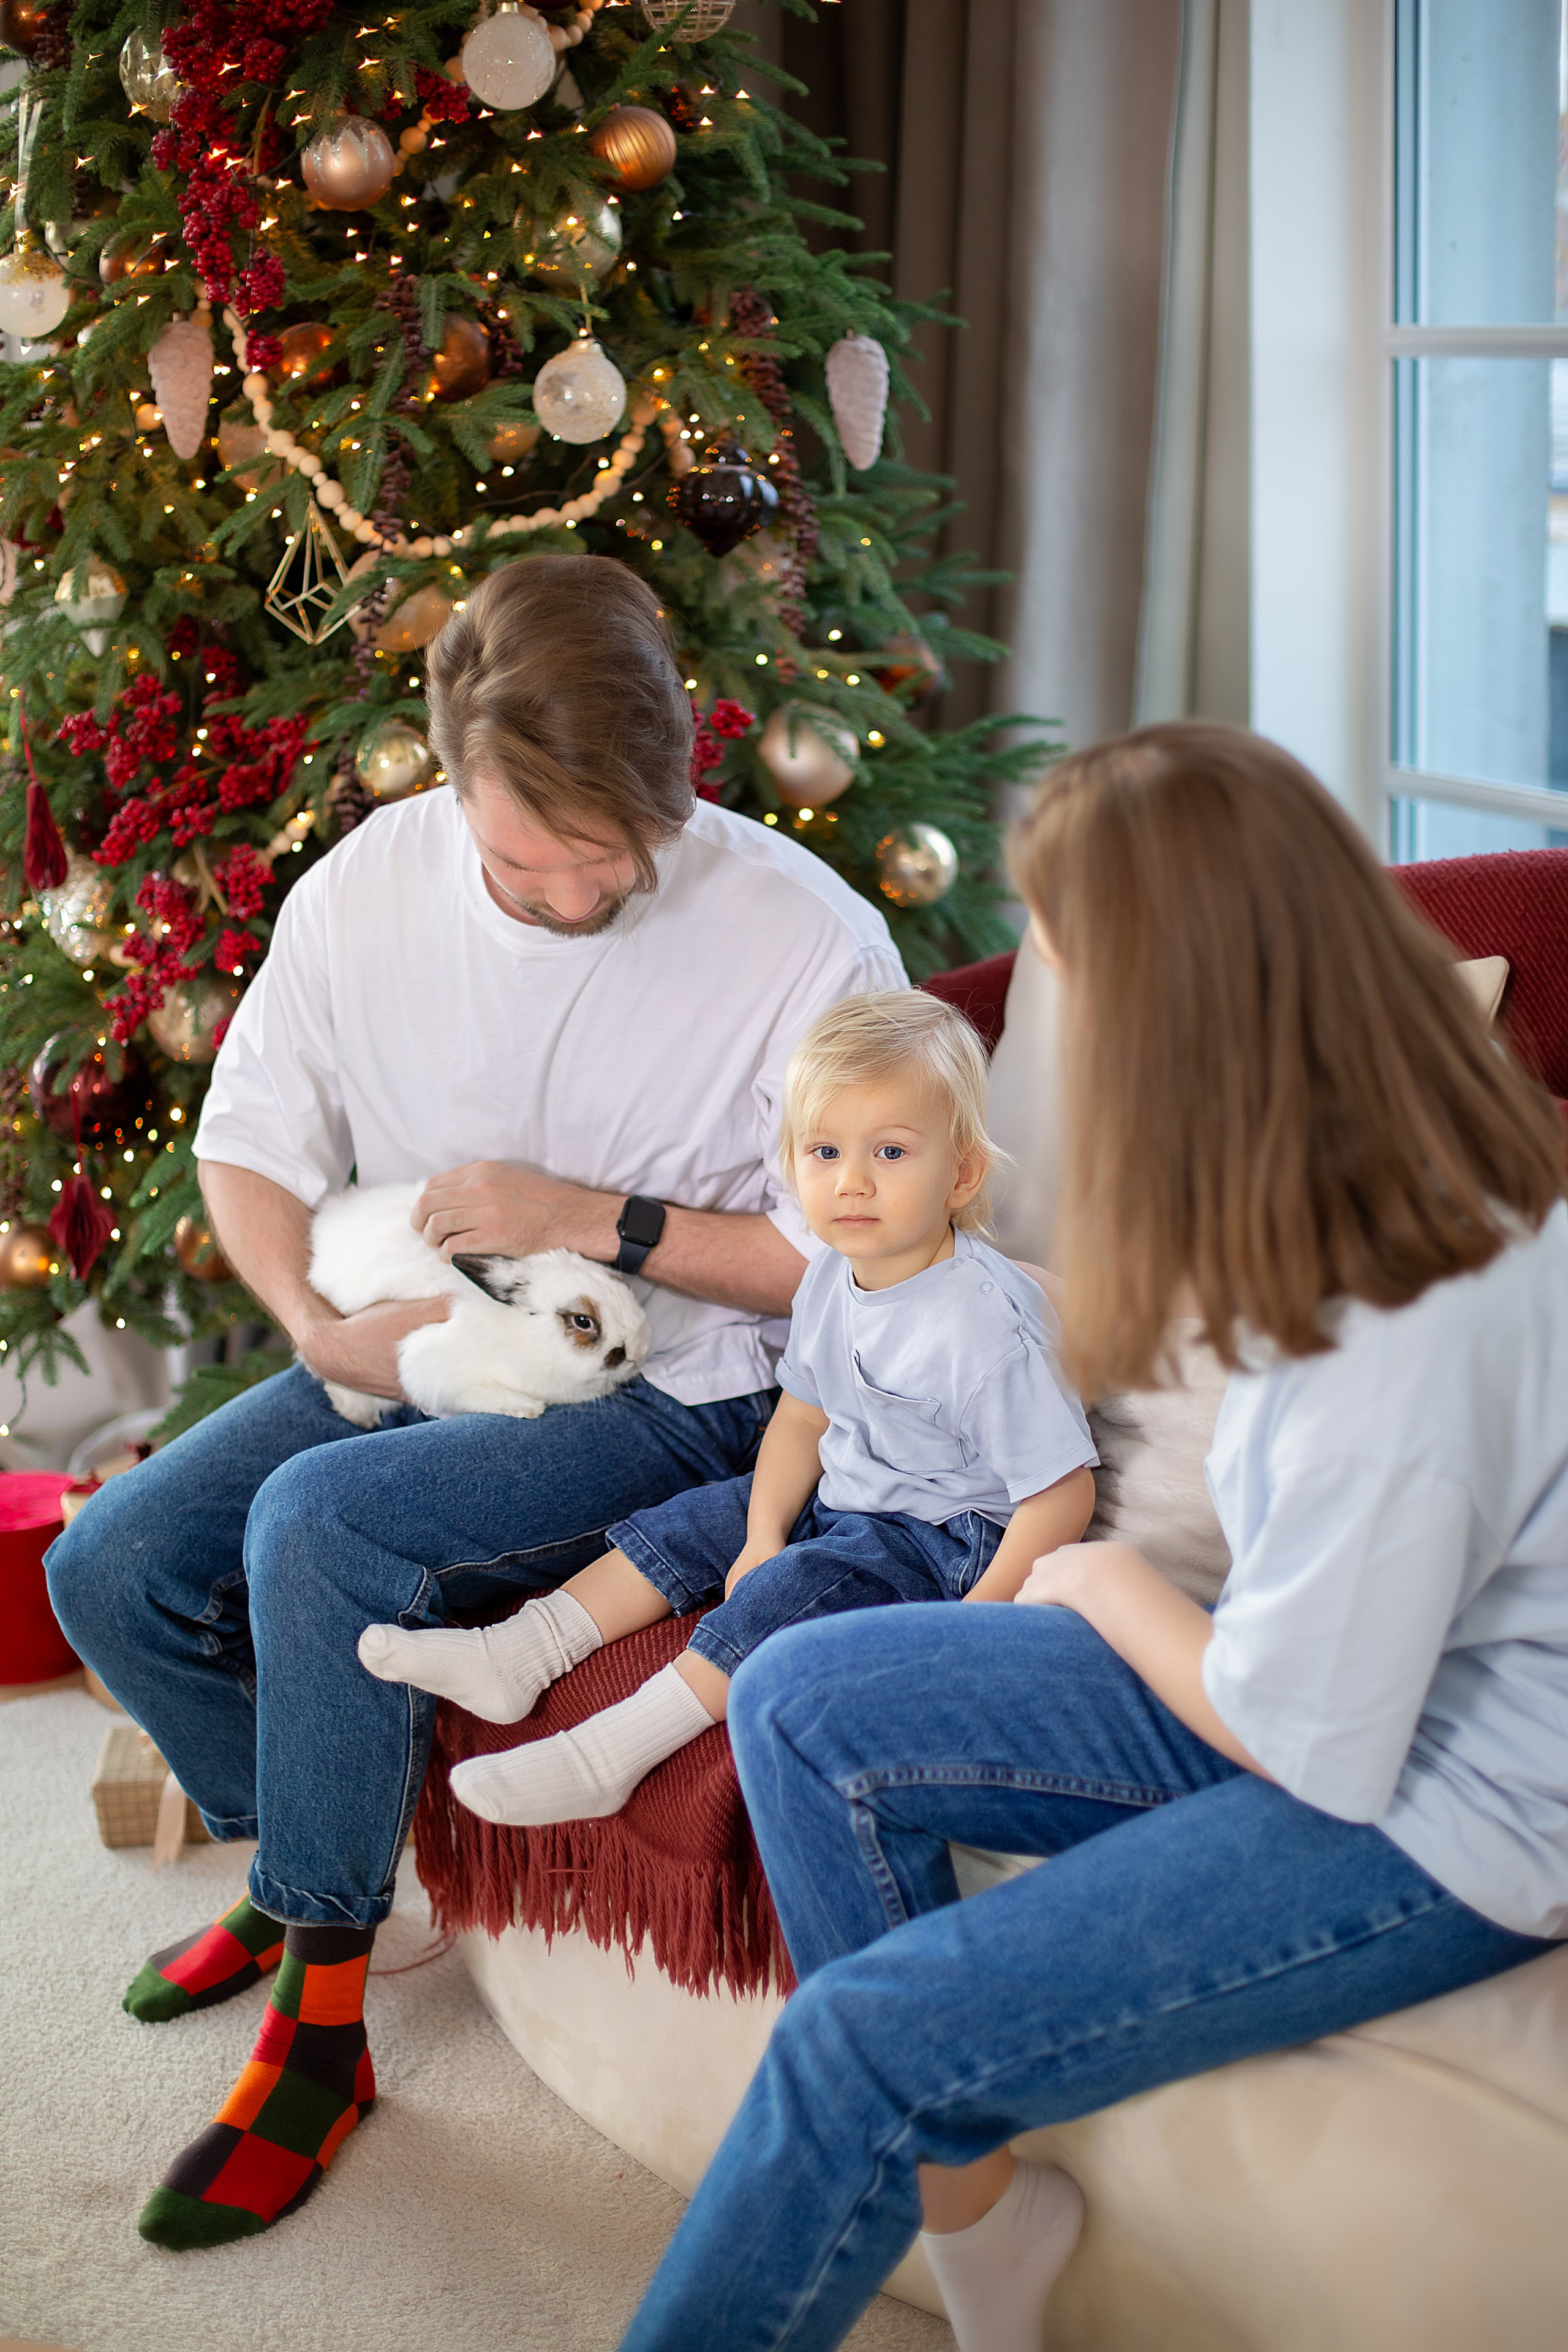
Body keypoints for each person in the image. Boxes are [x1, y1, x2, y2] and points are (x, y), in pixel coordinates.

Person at [617, 721, 1568, 2352]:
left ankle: (947, 2198)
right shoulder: (1341, 1171)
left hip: (1455, 1807)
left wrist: (1110, 1582)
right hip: (1345, 1679)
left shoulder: (1420, 1313)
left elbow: (1319, 1748)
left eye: (1065, 971)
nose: (1053, 1022)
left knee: (862, 2039)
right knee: (803, 1698)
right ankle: (990, 2230)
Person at [43, 554, 905, 2252]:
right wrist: (314, 1323)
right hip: (425, 1351)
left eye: (619, 858)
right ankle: (315, 1846)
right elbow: (248, 1142)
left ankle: (322, 2010)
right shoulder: (368, 892)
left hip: (686, 1397)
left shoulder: (805, 938)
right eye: (534, 861)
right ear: (447, 774)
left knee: (319, 1527)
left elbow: (863, 1266)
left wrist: (588, 1216)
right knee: (108, 1571)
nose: (584, 898)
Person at [358, 990, 1098, 1824]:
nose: (851, 1182)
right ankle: (519, 1653)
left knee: (796, 1589)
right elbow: (803, 1419)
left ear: (961, 1173)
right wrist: (759, 1533)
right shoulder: (832, 1275)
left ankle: (606, 1756)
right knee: (700, 1517)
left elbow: (1061, 1491)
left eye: (891, 1152)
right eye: (825, 1151)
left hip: (943, 1542)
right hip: (852, 1492)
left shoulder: (982, 1325)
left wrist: (979, 1619)